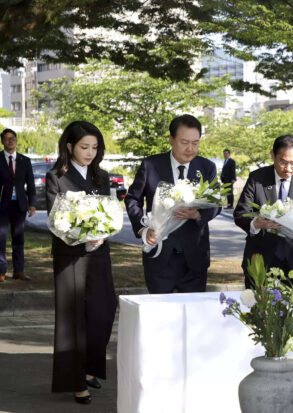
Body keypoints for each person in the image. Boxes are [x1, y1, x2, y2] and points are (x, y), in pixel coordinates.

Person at [46, 121, 117, 405]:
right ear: (69, 146)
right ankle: (76, 382)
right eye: (84, 147)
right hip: (70, 256)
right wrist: (81, 236)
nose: (90, 153)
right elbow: (55, 218)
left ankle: (90, 368)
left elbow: (110, 211)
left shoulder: (101, 176)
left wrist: (102, 232)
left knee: (103, 312)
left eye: (95, 147)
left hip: (99, 254)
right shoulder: (56, 176)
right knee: (73, 319)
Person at [125, 114, 220, 294]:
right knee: (161, 317)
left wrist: (198, 215)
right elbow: (132, 199)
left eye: (195, 143)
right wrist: (142, 229)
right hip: (160, 254)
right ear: (171, 140)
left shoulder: (207, 167)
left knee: (192, 316)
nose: (190, 149)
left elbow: (216, 203)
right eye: (184, 142)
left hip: (194, 257)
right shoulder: (151, 165)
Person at [233, 134, 293, 286]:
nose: (288, 169)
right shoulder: (257, 179)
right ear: (273, 155)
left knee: (290, 309)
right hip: (260, 260)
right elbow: (240, 213)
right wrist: (256, 224)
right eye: (283, 162)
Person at [0, 128, 36, 282]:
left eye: (13, 138)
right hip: (2, 205)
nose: (10, 141)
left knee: (18, 238)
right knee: (1, 238)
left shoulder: (24, 160)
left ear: (16, 141)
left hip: (20, 205)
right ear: (2, 141)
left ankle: (18, 271)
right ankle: (1, 272)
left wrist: (32, 204)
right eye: (7, 138)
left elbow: (31, 184)